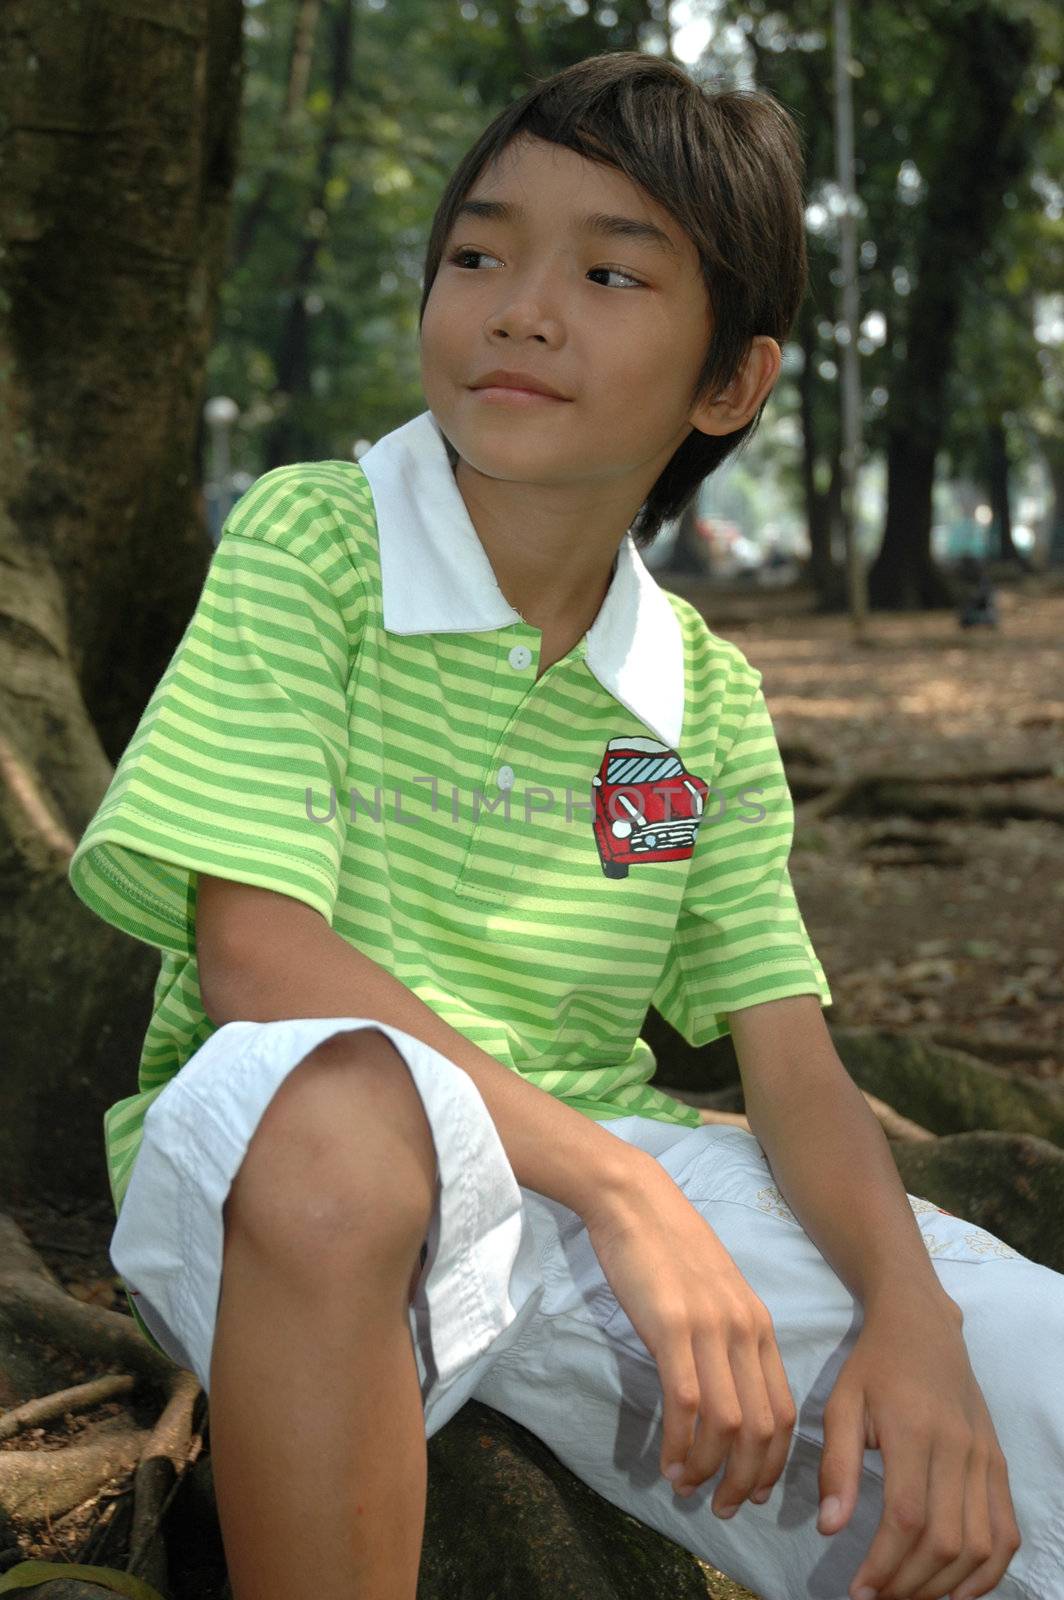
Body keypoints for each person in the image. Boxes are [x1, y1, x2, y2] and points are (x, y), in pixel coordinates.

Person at [66, 51, 1062, 1600]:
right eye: (479, 254)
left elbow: (791, 1069)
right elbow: (259, 955)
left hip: (597, 1195)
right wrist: (622, 1188)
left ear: (729, 383)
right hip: (300, 1197)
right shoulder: (317, 539)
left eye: (609, 271)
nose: (522, 306)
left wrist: (912, 1314)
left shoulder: (700, 700)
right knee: (346, 1118)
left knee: (1023, 1374)